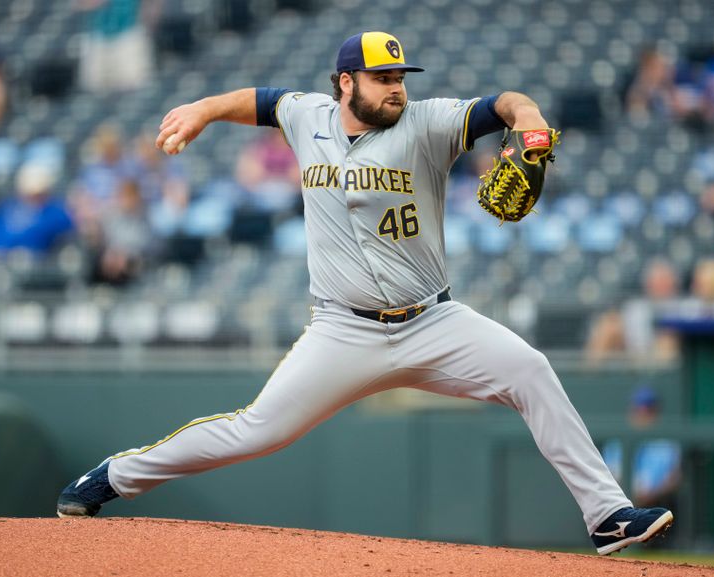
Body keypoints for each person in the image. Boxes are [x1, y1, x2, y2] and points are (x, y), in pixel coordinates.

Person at [57, 31, 673, 555]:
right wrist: (204, 109)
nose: (397, 87)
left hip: (433, 322)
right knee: (255, 431)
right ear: (345, 83)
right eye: (382, 77)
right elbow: (261, 100)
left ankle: (608, 516)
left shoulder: (428, 123)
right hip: (342, 330)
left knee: (531, 371)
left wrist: (530, 116)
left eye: (400, 76)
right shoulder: (307, 116)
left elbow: (502, 104)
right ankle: (114, 476)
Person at [603, 387, 681, 512]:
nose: (642, 416)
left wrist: (649, 495)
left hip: (656, 509)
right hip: (619, 508)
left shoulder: (667, 445)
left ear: (657, 413)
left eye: (648, 411)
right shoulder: (616, 443)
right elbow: (607, 475)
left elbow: (673, 479)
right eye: (638, 410)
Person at [0, 163, 74, 255]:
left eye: (38, 194)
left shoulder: (56, 213)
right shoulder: (7, 208)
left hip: (36, 264)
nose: (32, 197)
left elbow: (41, 237)